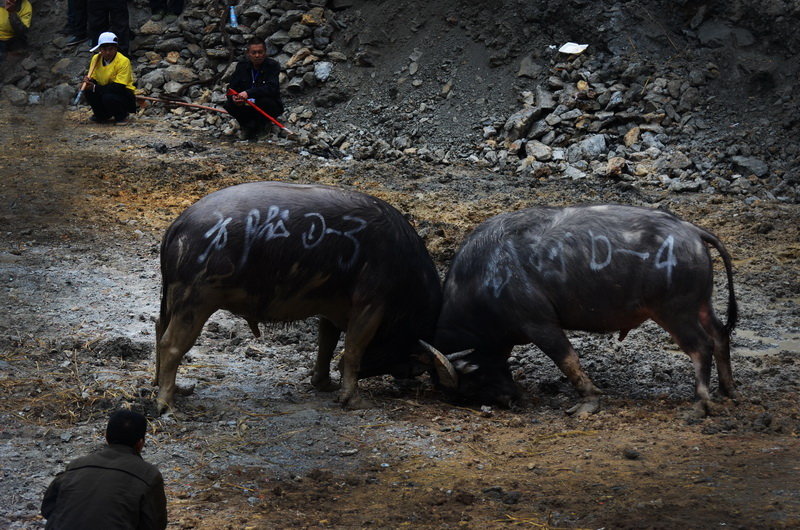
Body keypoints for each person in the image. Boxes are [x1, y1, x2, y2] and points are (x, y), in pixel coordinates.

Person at [41, 409, 168, 529]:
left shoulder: (76, 465)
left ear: (106, 437)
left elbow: (47, 508)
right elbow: (155, 525)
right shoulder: (149, 475)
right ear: (140, 443)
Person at [224, 37, 284, 140]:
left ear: (265, 52)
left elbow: (272, 88)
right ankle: (247, 127)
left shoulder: (272, 66)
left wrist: (249, 93)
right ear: (248, 53)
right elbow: (232, 87)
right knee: (230, 104)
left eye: (260, 52)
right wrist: (235, 97)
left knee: (265, 102)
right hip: (246, 103)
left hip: (264, 103)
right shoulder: (241, 66)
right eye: (254, 52)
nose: (257, 55)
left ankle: (263, 127)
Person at [81, 31, 136, 124]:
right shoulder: (96, 58)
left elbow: (119, 87)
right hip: (103, 89)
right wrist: (89, 81)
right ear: (100, 49)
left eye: (111, 49)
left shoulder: (123, 61)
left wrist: (95, 87)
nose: (107, 52)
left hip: (122, 93)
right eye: (104, 49)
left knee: (109, 97)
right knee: (89, 91)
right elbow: (95, 78)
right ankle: (101, 115)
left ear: (116, 49)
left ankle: (121, 116)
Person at [0, 0, 32, 64]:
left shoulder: (25, 5)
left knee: (20, 58)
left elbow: (22, 30)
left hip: (14, 37)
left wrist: (12, 12)